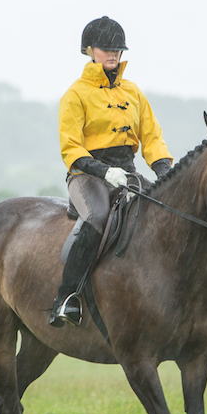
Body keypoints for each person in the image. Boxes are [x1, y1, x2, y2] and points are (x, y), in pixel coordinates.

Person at [50, 16, 174, 327]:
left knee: (163, 214)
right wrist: (104, 172)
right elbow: (71, 149)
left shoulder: (133, 92)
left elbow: (152, 138)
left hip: (128, 172)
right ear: (90, 50)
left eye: (117, 49)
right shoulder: (75, 94)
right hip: (87, 176)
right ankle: (67, 297)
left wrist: (165, 173)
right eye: (106, 48)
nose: (113, 54)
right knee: (97, 217)